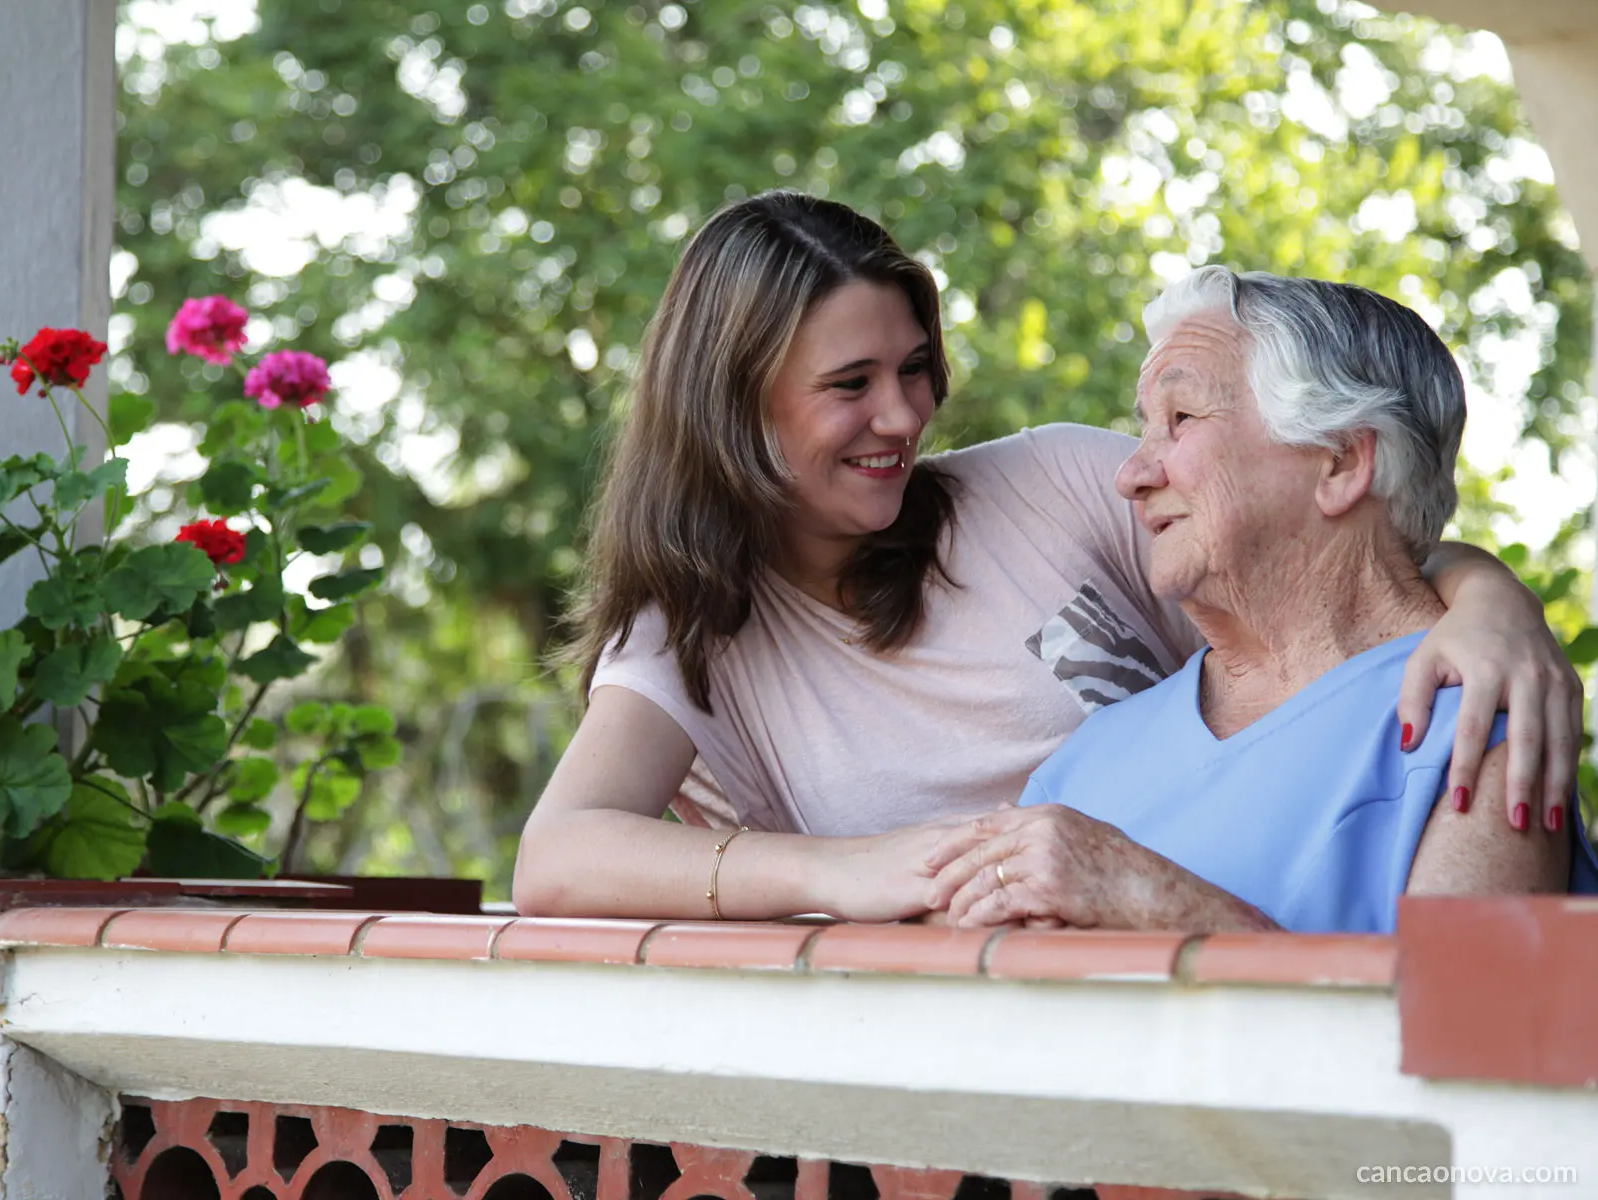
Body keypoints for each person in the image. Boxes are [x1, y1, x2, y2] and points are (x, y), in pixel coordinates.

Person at [512, 192, 1581, 923]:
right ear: (731, 405)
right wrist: (849, 872)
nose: (904, 414)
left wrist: (1489, 607)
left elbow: (1324, 537)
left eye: (917, 367)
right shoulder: (696, 636)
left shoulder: (1049, 485)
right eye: (850, 385)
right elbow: (557, 856)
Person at [927, 269, 1598, 935]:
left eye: (1181, 418)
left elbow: (1454, 1032)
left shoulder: (1482, 713)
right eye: (1144, 429)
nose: (1131, 476)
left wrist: (1146, 897)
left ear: (1339, 461)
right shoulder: (1088, 757)